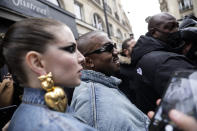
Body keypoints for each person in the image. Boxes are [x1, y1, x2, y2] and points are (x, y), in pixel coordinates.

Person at [0, 18, 95, 131]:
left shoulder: (20, 114)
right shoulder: (62, 127)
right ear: (37, 62)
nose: (82, 58)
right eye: (71, 48)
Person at [70, 31, 150, 131]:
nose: (116, 51)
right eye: (108, 48)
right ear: (89, 61)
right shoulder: (94, 103)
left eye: (114, 46)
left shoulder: (103, 87)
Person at [129, 12, 195, 113]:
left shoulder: (146, 55)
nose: (176, 30)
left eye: (177, 25)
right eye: (170, 27)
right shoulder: (166, 62)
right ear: (154, 32)